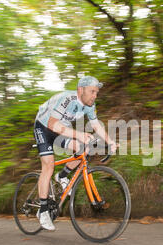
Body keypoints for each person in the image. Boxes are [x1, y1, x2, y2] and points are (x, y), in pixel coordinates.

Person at [33, 76, 117, 231]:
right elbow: (52, 124)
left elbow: (96, 124)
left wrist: (109, 141)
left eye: (96, 92)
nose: (95, 95)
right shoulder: (68, 99)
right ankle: (43, 210)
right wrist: (78, 134)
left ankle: (63, 176)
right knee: (48, 166)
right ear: (81, 90)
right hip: (44, 127)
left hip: (61, 128)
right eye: (92, 91)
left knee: (84, 149)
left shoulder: (90, 105)